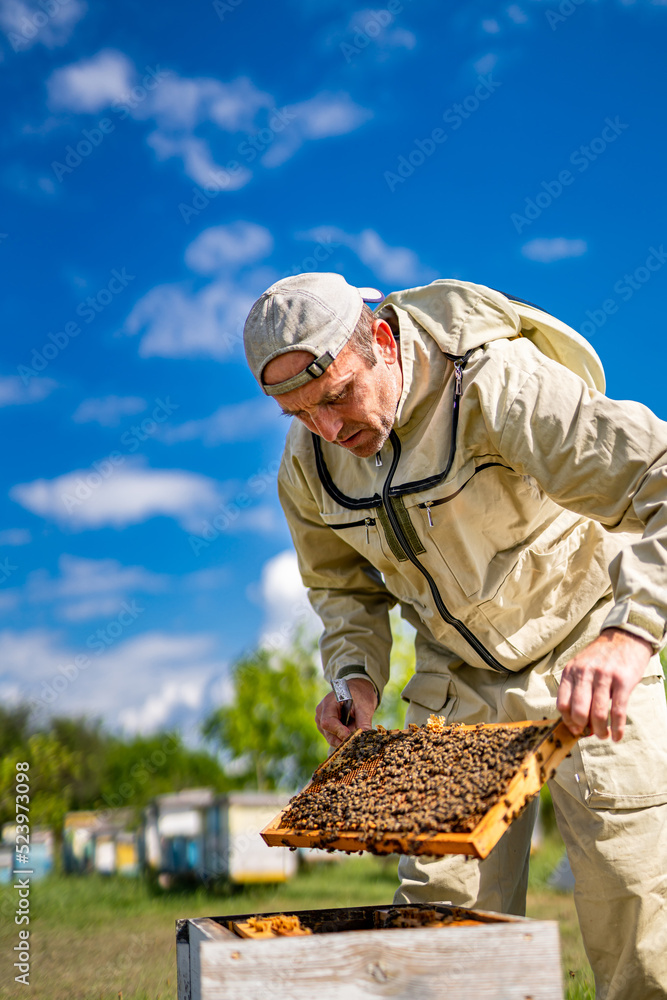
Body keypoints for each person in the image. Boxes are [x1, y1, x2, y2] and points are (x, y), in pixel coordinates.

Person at [243, 272, 667, 1000]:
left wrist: (630, 634)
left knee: (635, 910)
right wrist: (354, 676)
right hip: (455, 683)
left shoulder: (495, 386)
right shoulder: (308, 467)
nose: (329, 429)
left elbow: (655, 478)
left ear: (379, 340)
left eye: (338, 395)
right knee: (442, 931)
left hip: (584, 653)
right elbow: (341, 590)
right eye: (298, 412)